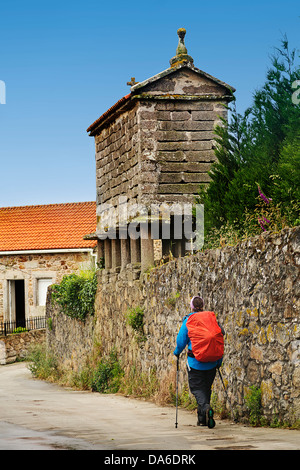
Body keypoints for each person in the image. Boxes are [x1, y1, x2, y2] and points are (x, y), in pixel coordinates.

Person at [173, 295, 225, 428]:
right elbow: (220, 337)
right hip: (212, 362)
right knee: (206, 388)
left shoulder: (188, 321)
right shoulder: (211, 320)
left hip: (195, 362)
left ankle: (206, 408)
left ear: (191, 307)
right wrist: (218, 361)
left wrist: (177, 352)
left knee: (196, 388)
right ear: (203, 306)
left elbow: (180, 341)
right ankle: (203, 419)